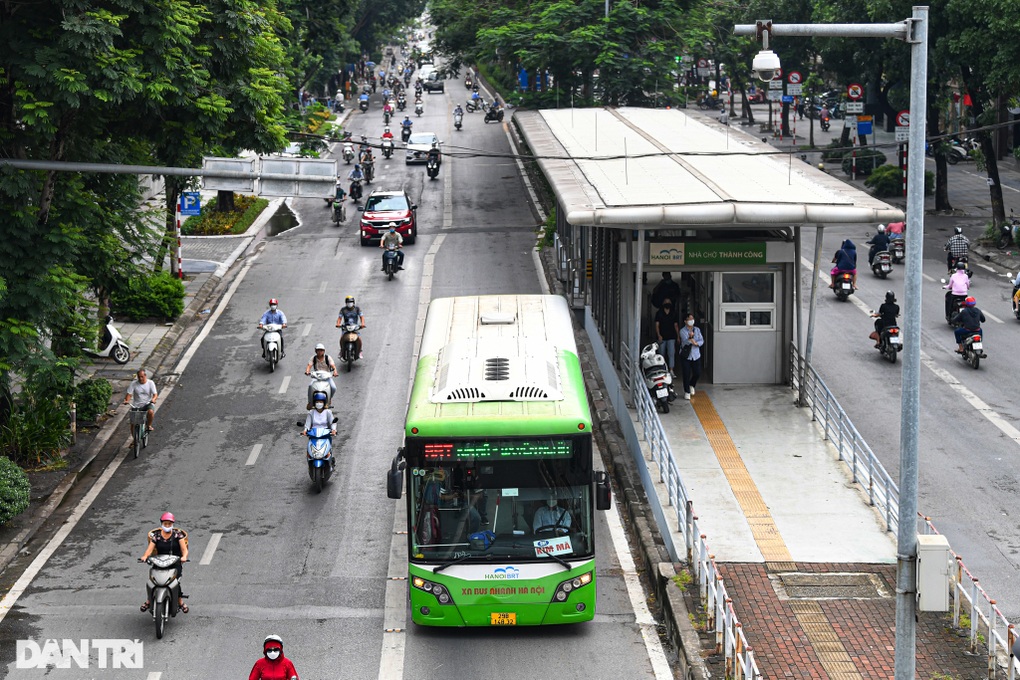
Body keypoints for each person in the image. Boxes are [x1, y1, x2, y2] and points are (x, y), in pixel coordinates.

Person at [139, 512, 189, 614]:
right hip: (159, 563)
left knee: (175, 582)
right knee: (152, 581)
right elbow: (149, 550)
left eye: (169, 524)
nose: (167, 526)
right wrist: (145, 556)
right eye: (165, 524)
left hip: (174, 563)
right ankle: (149, 600)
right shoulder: (156, 536)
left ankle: (180, 601)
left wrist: (184, 557)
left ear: (172, 524)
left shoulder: (177, 535)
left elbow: (184, 550)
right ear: (162, 524)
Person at [123, 368, 158, 432]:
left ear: (145, 376)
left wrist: (153, 399)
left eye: (142, 377)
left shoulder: (150, 383)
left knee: (150, 412)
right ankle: (135, 439)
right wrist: (126, 400)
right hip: (136, 405)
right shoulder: (134, 383)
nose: (140, 378)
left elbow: (155, 394)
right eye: (139, 377)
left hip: (147, 403)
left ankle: (149, 425)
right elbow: (129, 394)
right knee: (133, 424)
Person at [678, 313, 704, 401]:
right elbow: (686, 341)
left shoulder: (697, 329)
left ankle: (692, 384)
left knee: (697, 373)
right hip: (686, 356)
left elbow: (701, 340)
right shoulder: (682, 331)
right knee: (686, 373)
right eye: (689, 319)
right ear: (685, 321)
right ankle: (687, 391)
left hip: (696, 355)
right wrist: (691, 339)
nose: (691, 321)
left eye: (692, 319)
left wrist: (697, 343)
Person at [304, 343, 338, 409]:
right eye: (318, 350)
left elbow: (333, 366)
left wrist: (335, 372)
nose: (320, 352)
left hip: (327, 377)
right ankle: (310, 402)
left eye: (321, 350)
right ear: (316, 351)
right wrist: (307, 371)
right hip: (317, 377)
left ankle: (329, 398)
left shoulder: (328, 358)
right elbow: (309, 366)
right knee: (310, 386)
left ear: (324, 351)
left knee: (333, 388)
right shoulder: (313, 358)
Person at [654, 297, 681, 376]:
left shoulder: (674, 313)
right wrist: (659, 335)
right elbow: (657, 325)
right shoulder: (659, 313)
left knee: (671, 353)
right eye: (666, 302)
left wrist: (678, 336)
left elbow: (676, 325)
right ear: (663, 304)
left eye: (669, 302)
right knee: (661, 354)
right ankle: (662, 369)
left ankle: (671, 370)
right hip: (662, 337)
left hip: (671, 337)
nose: (667, 303)